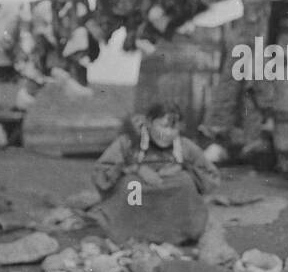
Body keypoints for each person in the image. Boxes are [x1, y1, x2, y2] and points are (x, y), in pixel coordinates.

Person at [91, 101, 220, 245]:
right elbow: (101, 172)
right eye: (163, 126)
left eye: (174, 128)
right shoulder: (128, 143)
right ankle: (131, 236)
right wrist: (135, 169)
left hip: (171, 214)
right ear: (149, 122)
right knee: (132, 185)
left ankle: (179, 235)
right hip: (136, 208)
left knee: (184, 182)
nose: (168, 133)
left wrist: (183, 168)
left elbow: (210, 175)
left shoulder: (184, 146)